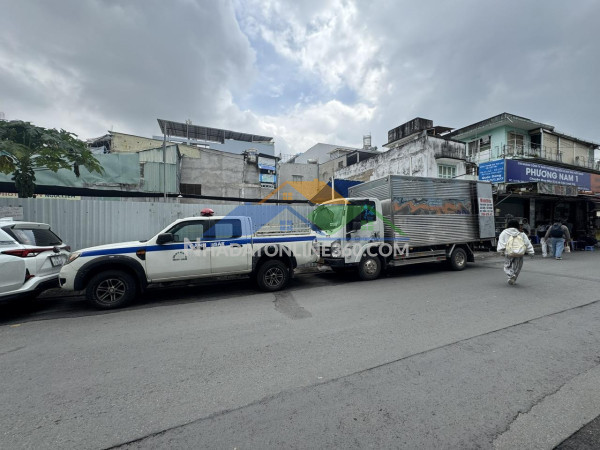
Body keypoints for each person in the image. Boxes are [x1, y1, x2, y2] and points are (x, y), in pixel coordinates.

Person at [497, 219, 535, 285]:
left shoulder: (504, 232)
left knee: (507, 266)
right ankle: (513, 277)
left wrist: (501, 251)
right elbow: (527, 243)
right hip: (520, 252)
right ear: (517, 225)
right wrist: (531, 251)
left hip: (509, 252)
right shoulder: (521, 233)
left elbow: (501, 242)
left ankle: (511, 275)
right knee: (517, 267)